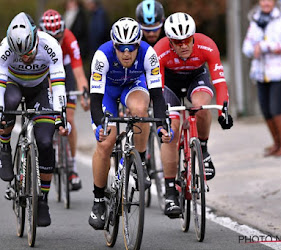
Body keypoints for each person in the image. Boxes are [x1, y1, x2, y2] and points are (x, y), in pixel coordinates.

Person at [88, 17, 173, 230]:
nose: (126, 53)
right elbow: (95, 101)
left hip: (133, 86)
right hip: (107, 91)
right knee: (106, 142)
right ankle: (98, 200)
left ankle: (140, 162)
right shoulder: (101, 56)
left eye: (131, 47)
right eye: (121, 48)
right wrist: (100, 126)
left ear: (138, 44)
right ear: (114, 45)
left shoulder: (148, 54)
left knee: (140, 111)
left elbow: (158, 97)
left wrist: (163, 124)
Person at [154, 12, 233, 218]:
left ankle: (203, 151)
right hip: (168, 84)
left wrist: (224, 109)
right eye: (177, 42)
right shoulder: (160, 51)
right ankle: (170, 191)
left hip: (196, 79)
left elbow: (220, 83)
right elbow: (157, 90)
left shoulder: (207, 45)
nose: (183, 46)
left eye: (187, 40)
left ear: (194, 37)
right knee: (172, 129)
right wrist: (162, 117)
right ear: (170, 41)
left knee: (200, 106)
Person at [0, 12, 68, 227]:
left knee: (46, 142)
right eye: (20, 55)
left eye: (29, 53)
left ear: (36, 38)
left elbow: (58, 83)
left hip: (40, 89)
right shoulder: (4, 48)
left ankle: (43, 200)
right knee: (8, 104)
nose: (26, 58)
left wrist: (61, 113)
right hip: (13, 85)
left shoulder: (50, 45)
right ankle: (4, 148)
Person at [39, 9, 90, 191]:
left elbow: (78, 72)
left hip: (65, 70)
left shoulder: (69, 39)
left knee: (69, 119)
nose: (55, 39)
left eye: (58, 35)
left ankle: (72, 167)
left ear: (63, 31)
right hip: (44, 71)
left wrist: (84, 94)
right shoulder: (38, 41)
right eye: (50, 36)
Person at [243, 0, 281, 156]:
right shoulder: (255, 21)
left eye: (269, 0)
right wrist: (254, 50)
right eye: (263, 0)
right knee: (265, 108)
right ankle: (277, 143)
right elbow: (246, 47)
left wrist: (263, 47)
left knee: (276, 106)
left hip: (279, 73)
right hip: (260, 72)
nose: (266, 3)